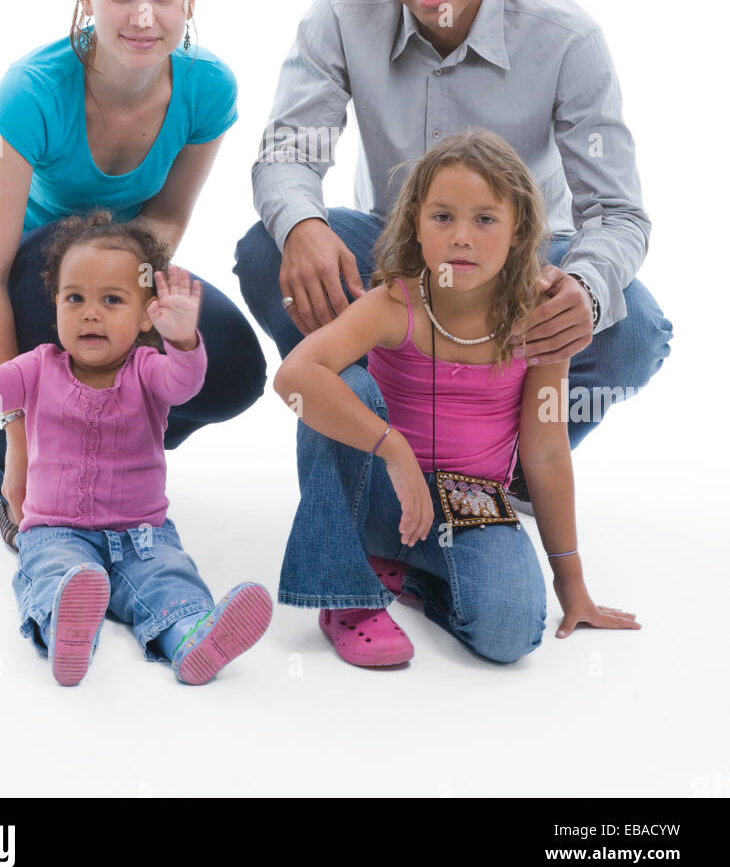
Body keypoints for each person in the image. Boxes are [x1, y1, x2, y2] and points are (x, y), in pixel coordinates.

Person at [235, 0, 672, 507]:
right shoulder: (341, 10)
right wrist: (303, 225)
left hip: (526, 256)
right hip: (393, 250)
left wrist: (583, 287)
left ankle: (501, 466)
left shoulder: (567, 39)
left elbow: (617, 212)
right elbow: (289, 150)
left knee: (635, 329)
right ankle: (373, 438)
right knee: (269, 250)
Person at [0, 0, 266, 550]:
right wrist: (16, 441)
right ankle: (42, 444)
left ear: (190, 0)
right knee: (64, 275)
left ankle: (107, 432)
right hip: (22, 283)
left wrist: (141, 294)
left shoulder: (208, 88)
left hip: (122, 272)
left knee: (233, 366)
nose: (142, 16)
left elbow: (170, 214)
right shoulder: (33, 91)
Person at [273, 131, 640, 666]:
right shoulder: (394, 303)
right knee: (335, 385)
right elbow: (293, 377)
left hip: (468, 500)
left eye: (485, 219)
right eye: (443, 217)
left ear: (518, 232)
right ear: (417, 227)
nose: (461, 237)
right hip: (380, 488)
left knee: (512, 634)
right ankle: (347, 593)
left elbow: (545, 452)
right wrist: (393, 448)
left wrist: (572, 582)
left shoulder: (539, 320)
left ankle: (413, 577)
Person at [0, 212, 273, 687]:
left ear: (147, 313)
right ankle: (64, 626)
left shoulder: (148, 368)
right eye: (75, 298)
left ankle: (191, 636)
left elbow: (186, 386)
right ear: (55, 305)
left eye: (112, 300)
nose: (90, 312)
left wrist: (183, 340)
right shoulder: (38, 366)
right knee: (57, 573)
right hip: (57, 530)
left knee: (168, 580)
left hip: (142, 533)